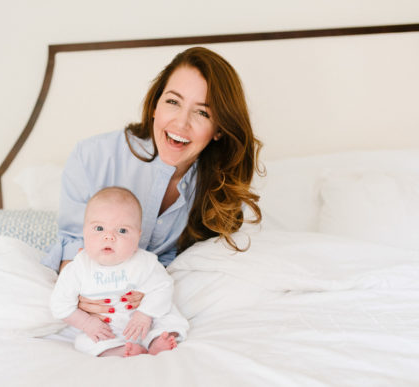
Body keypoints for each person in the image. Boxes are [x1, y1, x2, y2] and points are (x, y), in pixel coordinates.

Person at [44, 46, 262, 325]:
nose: (181, 123)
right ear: (155, 106)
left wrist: (153, 292)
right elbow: (73, 240)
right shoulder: (92, 157)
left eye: (202, 113)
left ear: (219, 129)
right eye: (173, 102)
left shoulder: (219, 185)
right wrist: (80, 295)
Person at [50, 187, 188, 357]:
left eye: (122, 230)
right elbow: (60, 305)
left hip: (147, 320)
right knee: (83, 342)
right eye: (99, 228)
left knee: (170, 317)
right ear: (84, 232)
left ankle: (156, 340)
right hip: (107, 329)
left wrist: (145, 314)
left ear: (138, 237)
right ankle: (120, 350)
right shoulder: (78, 268)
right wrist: (87, 323)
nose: (109, 237)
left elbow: (163, 287)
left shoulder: (145, 262)